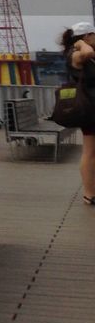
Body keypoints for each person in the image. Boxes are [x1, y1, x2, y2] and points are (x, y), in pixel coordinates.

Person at [58, 21, 95, 204]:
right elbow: (87, 53)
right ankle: (89, 193)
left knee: (92, 151)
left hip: (92, 107)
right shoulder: (77, 53)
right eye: (93, 34)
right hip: (89, 109)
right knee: (89, 151)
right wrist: (80, 43)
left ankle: (91, 191)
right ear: (86, 36)